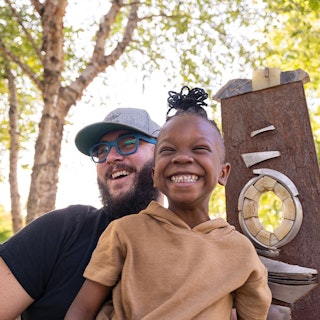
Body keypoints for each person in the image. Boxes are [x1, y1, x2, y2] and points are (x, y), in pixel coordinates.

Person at [65, 86, 272, 320]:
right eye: (168, 150)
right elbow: (83, 310)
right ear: (154, 174)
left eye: (200, 148)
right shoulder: (124, 232)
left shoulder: (241, 252)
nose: (182, 157)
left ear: (223, 173)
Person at [0, 107, 163, 320]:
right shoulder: (63, 229)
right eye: (101, 150)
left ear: (163, 154)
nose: (111, 157)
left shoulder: (189, 245)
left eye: (128, 143)